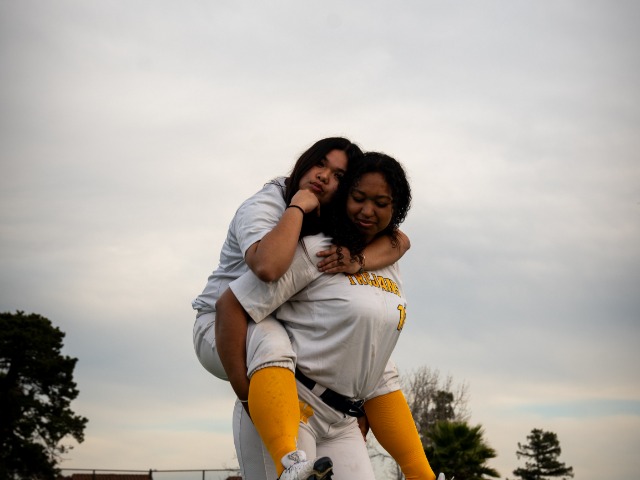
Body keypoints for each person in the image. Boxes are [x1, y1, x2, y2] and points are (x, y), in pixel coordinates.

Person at [192, 139, 411, 478]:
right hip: (221, 324)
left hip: (274, 328)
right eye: (319, 163)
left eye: (338, 175)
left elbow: (401, 240)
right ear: (304, 162)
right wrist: (249, 399)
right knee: (271, 340)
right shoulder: (269, 203)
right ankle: (289, 460)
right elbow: (266, 268)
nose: (323, 176)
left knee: (374, 356)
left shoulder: (334, 221)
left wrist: (358, 260)